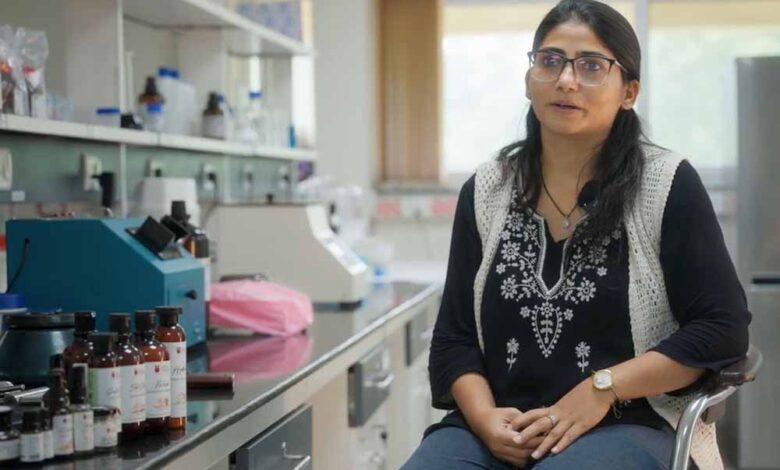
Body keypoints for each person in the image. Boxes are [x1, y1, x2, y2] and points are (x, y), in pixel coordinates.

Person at [401, 1, 751, 469]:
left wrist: (602, 388)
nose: (566, 80)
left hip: (629, 422)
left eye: (591, 66)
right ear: (529, 79)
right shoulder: (486, 191)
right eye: (550, 61)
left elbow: (721, 330)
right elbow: (454, 339)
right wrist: (484, 419)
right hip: (499, 428)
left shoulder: (666, 185)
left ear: (629, 92)